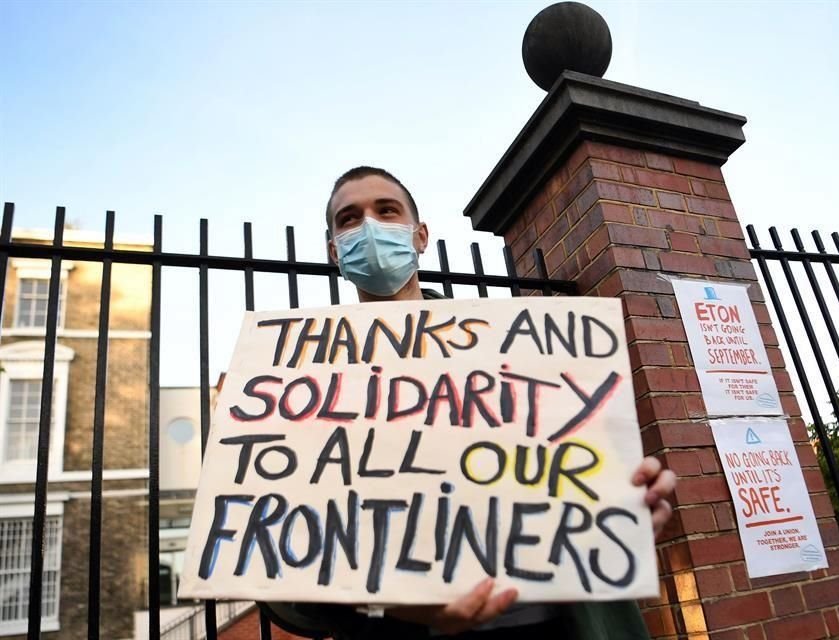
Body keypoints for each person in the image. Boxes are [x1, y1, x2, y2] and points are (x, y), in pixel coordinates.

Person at [260, 167, 677, 640]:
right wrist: (384, 603)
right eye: (349, 219)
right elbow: (281, 577)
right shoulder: (301, 382)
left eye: (387, 210)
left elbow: (581, 470)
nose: (370, 227)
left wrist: (626, 503)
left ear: (420, 236)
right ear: (335, 250)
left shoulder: (519, 350)